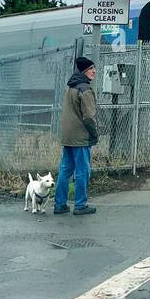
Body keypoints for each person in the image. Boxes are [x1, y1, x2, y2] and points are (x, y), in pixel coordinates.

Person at [54, 57, 98, 215]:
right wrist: (94, 133)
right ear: (84, 71)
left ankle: (59, 204)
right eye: (91, 68)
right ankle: (80, 205)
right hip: (81, 137)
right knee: (82, 171)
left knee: (65, 170)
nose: (94, 71)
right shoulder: (85, 89)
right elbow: (89, 116)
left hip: (68, 136)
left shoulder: (70, 87)